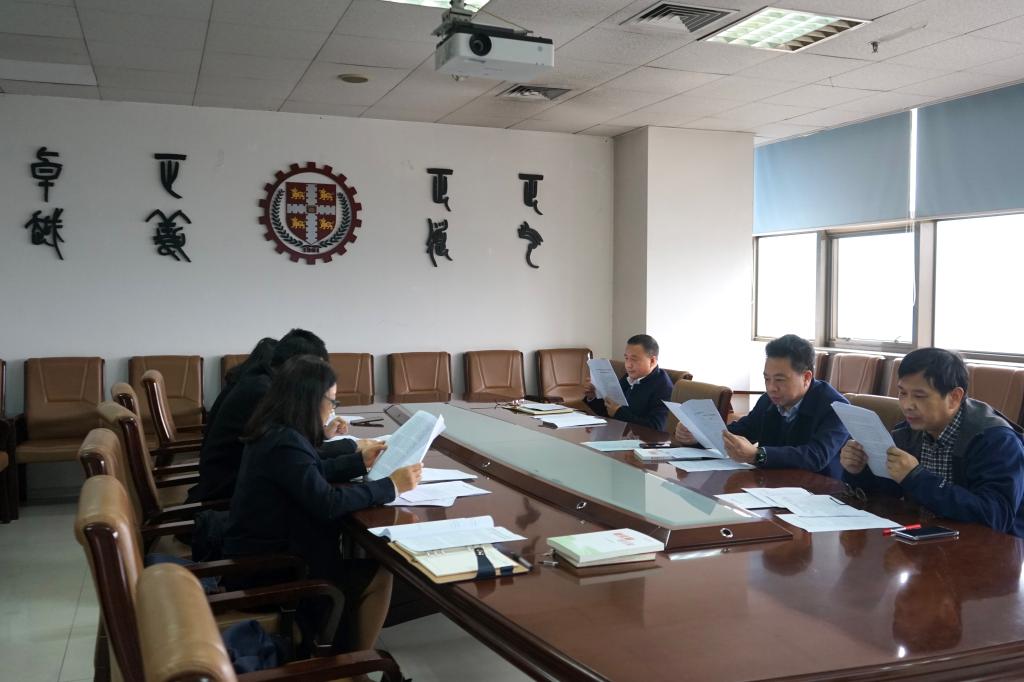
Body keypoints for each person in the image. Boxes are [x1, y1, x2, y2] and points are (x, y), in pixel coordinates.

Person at [223, 354, 423, 651]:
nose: (332, 410)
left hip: (262, 555)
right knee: (379, 574)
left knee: (362, 562)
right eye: (332, 401)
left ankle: (344, 648)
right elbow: (327, 502)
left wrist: (359, 462)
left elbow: (308, 473)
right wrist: (391, 486)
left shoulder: (276, 430)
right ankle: (354, 664)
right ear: (309, 400)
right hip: (271, 569)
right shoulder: (285, 441)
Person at [841, 347, 1024, 536]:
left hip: (989, 548)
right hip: (930, 538)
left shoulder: (996, 441)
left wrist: (916, 477)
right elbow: (888, 493)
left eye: (919, 396)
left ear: (954, 397)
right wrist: (859, 470)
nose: (907, 405)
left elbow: (996, 517)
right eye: (902, 393)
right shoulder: (908, 432)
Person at [188, 329, 381, 503]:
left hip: (234, 481)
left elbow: (297, 455)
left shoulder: (262, 382)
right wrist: (352, 446)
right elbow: (297, 457)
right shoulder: (263, 393)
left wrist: (324, 435)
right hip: (227, 491)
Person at [675, 334, 849, 478]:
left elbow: (816, 456)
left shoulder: (836, 407)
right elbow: (742, 431)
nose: (771, 387)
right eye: (767, 379)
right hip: (770, 487)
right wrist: (698, 435)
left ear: (806, 378)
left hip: (818, 493)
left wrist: (758, 455)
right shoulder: (769, 400)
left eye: (780, 380)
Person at [583, 334, 674, 430]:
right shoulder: (629, 378)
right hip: (616, 433)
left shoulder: (663, 387)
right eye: (626, 358)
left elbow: (656, 427)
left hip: (639, 438)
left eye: (634, 359)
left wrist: (618, 413)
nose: (628, 365)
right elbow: (608, 411)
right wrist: (593, 396)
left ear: (652, 361)